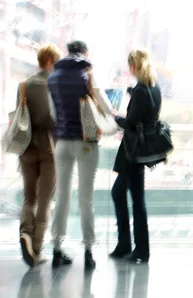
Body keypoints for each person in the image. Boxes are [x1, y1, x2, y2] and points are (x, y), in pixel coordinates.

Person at [47, 40, 112, 270]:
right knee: (86, 197)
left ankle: (56, 249)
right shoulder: (87, 73)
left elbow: (53, 113)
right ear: (85, 52)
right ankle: (88, 251)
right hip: (86, 142)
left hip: (62, 142)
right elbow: (103, 105)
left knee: (62, 196)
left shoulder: (53, 77)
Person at [109, 49, 161, 263]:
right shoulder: (154, 87)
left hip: (133, 152)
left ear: (133, 66)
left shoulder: (141, 90)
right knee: (121, 193)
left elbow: (131, 122)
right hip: (141, 151)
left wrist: (116, 117)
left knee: (134, 200)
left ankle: (138, 248)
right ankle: (128, 245)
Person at [17, 44, 62, 268]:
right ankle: (35, 248)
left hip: (26, 148)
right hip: (47, 148)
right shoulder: (50, 84)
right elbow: (48, 117)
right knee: (45, 199)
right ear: (50, 62)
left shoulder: (23, 85)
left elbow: (21, 115)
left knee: (29, 197)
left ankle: (25, 232)